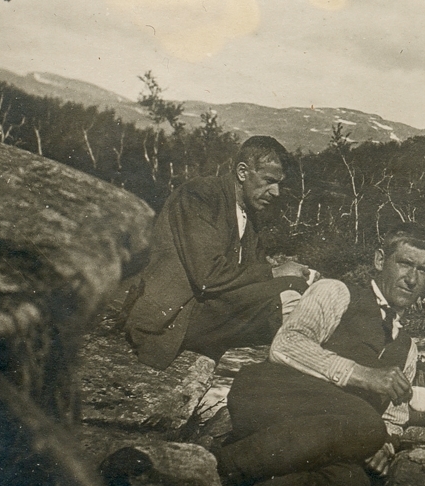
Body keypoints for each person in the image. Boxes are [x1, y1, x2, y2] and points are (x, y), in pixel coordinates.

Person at [213, 224, 425, 486]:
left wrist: (386, 444)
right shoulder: (336, 292)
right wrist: (361, 375)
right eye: (405, 264)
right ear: (380, 260)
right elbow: (286, 345)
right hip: (271, 398)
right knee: (366, 423)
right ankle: (217, 470)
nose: (412, 279)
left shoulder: (408, 349)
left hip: (328, 438)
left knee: (351, 485)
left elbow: (394, 415)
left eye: (423, 271)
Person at [124, 136, 312, 370]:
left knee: (305, 291)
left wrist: (283, 272)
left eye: (280, 184)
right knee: (293, 298)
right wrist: (276, 272)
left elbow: (250, 271)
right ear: (243, 172)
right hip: (172, 318)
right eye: (269, 181)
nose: (276, 192)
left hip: (206, 308)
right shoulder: (199, 195)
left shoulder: (247, 213)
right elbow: (208, 276)